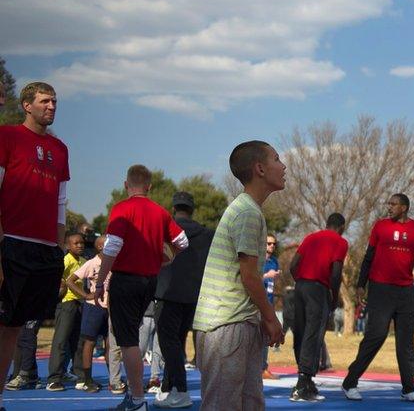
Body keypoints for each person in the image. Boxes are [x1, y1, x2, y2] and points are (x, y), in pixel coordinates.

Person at [193, 141, 286, 411]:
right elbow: (249, 277)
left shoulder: (250, 210)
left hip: (239, 323)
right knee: (223, 405)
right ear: (259, 168)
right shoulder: (247, 212)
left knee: (250, 403)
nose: (284, 166)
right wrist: (271, 318)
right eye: (277, 159)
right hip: (226, 326)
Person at [93, 165, 188, 411]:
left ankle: (136, 399)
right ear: (149, 186)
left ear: (126, 185)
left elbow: (112, 246)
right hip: (150, 280)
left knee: (127, 341)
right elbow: (182, 241)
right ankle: (136, 397)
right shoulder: (160, 212)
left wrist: (101, 280)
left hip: (125, 279)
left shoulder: (122, 208)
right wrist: (169, 256)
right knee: (133, 336)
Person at [0, 81, 70, 411]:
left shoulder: (60, 149)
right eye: (45, 101)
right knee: (6, 324)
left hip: (44, 250)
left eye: (54, 101)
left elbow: (61, 201)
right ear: (27, 105)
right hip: (12, 242)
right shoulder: (8, 136)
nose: (52, 106)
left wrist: (58, 246)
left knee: (16, 326)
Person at [342, 194, 414, 403]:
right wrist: (361, 285)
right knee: (377, 335)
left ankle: (408, 389)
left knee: (406, 342)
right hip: (380, 289)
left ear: (404, 207)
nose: (389, 207)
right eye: (388, 204)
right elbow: (368, 256)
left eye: (393, 204)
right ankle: (350, 382)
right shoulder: (380, 226)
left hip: (406, 292)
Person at [153, 191, 215, 408]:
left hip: (167, 294)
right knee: (178, 342)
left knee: (169, 343)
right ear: (192, 209)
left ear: (173, 208)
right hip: (193, 296)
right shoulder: (207, 234)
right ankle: (168, 388)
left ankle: (179, 389)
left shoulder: (164, 229)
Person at [288, 212, 348, 401]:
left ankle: (306, 380)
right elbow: (336, 272)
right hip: (318, 289)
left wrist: (301, 281)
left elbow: (293, 265)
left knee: (301, 332)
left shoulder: (311, 237)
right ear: (342, 227)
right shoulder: (340, 242)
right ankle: (302, 384)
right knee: (313, 335)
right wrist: (334, 294)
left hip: (300, 287)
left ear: (327, 223)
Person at [64, 235, 119, 393]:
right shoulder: (92, 263)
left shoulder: (115, 263)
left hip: (110, 308)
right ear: (101, 247)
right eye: (108, 243)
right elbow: (69, 280)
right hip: (94, 308)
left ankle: (113, 379)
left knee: (111, 344)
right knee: (90, 342)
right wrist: (86, 295)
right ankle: (87, 379)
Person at [45, 231, 87, 391]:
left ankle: (80, 375)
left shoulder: (83, 261)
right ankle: (54, 378)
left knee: (78, 342)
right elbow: (57, 281)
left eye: (82, 243)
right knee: (61, 342)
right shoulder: (65, 260)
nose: (80, 245)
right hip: (66, 304)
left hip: (80, 304)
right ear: (67, 246)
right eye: (76, 243)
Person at [261, 233, 281, 380]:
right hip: (256, 303)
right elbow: (251, 278)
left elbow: (272, 282)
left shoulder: (274, 261)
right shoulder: (257, 261)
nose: (272, 246)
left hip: (269, 302)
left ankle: (263, 368)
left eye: (274, 244)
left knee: (266, 337)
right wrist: (267, 275)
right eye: (269, 243)